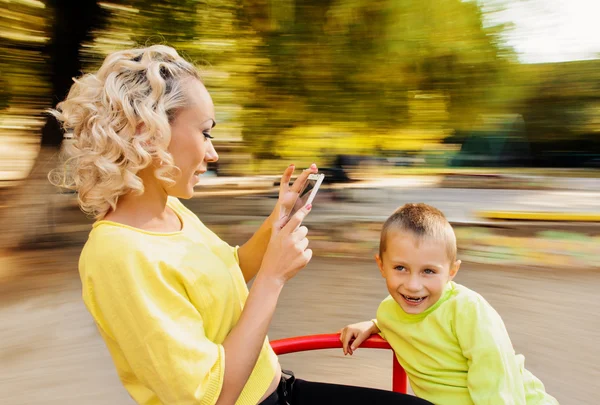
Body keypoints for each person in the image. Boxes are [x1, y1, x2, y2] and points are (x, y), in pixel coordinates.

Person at [49, 45, 432, 405]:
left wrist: (276, 221)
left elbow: (225, 271)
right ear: (148, 132)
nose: (213, 153)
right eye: (205, 132)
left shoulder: (172, 212)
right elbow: (214, 396)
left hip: (279, 388)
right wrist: (273, 277)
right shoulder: (117, 255)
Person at [340, 203, 559, 405]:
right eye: (400, 268)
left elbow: (495, 376)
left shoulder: (467, 309)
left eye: (429, 271)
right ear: (381, 265)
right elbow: (405, 321)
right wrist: (374, 325)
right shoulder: (388, 312)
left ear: (452, 271)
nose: (413, 285)